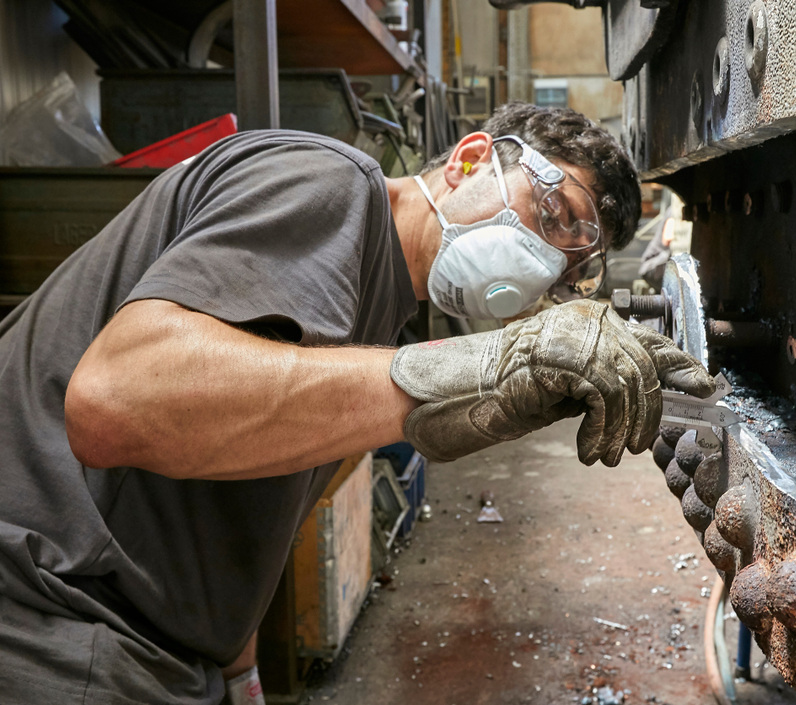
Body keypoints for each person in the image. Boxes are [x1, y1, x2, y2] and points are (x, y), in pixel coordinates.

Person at [0, 102, 714, 704]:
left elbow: (241, 473)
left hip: (145, 645)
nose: (546, 261)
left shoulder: (374, 308)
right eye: (553, 213)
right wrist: (467, 370)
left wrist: (238, 666)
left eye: (570, 268)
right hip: (51, 620)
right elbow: (113, 402)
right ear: (471, 160)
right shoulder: (332, 186)